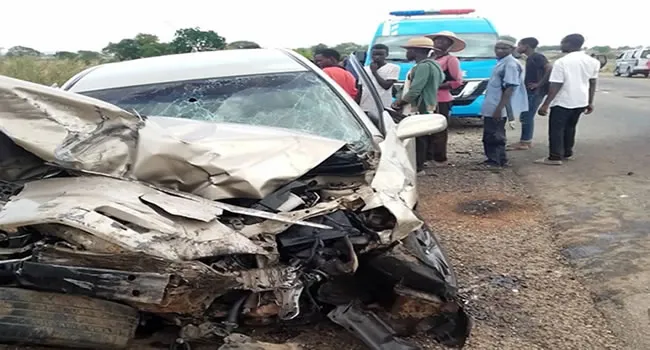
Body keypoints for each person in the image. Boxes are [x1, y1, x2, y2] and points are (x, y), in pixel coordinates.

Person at [536, 34, 599, 165]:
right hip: (581, 100)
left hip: (563, 101)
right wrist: (590, 102)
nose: (561, 46)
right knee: (571, 127)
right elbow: (592, 82)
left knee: (556, 129)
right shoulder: (593, 62)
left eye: (563, 43)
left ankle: (555, 157)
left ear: (569, 44)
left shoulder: (562, 62)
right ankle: (567, 152)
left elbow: (556, 84)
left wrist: (546, 104)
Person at [390, 37, 444, 173]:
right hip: (428, 105)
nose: (406, 54)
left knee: (418, 138)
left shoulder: (423, 67)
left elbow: (415, 90)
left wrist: (400, 102)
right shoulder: (434, 65)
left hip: (418, 107)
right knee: (422, 137)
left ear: (415, 51)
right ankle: (420, 164)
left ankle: (418, 167)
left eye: (408, 50)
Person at [479, 38, 528, 168]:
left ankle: (496, 161)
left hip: (498, 105)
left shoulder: (510, 64)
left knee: (495, 134)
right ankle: (496, 159)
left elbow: (510, 88)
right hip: (493, 103)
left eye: (504, 48)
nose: (499, 51)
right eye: (497, 48)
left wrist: (499, 109)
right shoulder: (501, 62)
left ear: (512, 49)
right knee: (490, 133)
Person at [427, 31, 465, 166]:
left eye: (444, 41)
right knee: (426, 129)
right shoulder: (430, 58)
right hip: (427, 99)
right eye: (438, 40)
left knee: (439, 129)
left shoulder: (451, 60)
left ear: (449, 45)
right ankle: (428, 156)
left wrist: (436, 85)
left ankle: (439, 158)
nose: (440, 43)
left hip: (441, 99)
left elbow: (457, 81)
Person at [507, 37, 552, 150]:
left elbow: (549, 68)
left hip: (535, 91)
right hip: (532, 91)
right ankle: (525, 140)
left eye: (519, 45)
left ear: (526, 46)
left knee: (527, 116)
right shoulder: (530, 58)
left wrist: (539, 84)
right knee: (526, 115)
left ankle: (525, 142)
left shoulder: (537, 57)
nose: (518, 47)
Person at [359, 44, 400, 112]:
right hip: (365, 107)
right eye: (374, 54)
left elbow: (386, 86)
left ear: (386, 55)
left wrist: (374, 72)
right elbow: (360, 89)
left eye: (381, 55)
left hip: (383, 107)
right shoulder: (364, 69)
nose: (377, 57)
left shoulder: (393, 68)